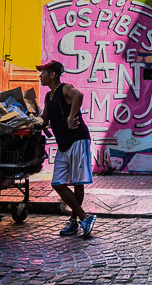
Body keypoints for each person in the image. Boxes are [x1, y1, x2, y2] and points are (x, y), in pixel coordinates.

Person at [36, 59, 96, 237]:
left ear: (53, 75)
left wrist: (70, 119)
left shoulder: (65, 88)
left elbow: (78, 96)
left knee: (78, 183)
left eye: (43, 72)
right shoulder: (49, 96)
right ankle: (84, 218)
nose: (41, 75)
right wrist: (35, 121)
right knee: (57, 183)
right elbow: (44, 119)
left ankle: (74, 221)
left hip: (77, 139)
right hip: (63, 144)